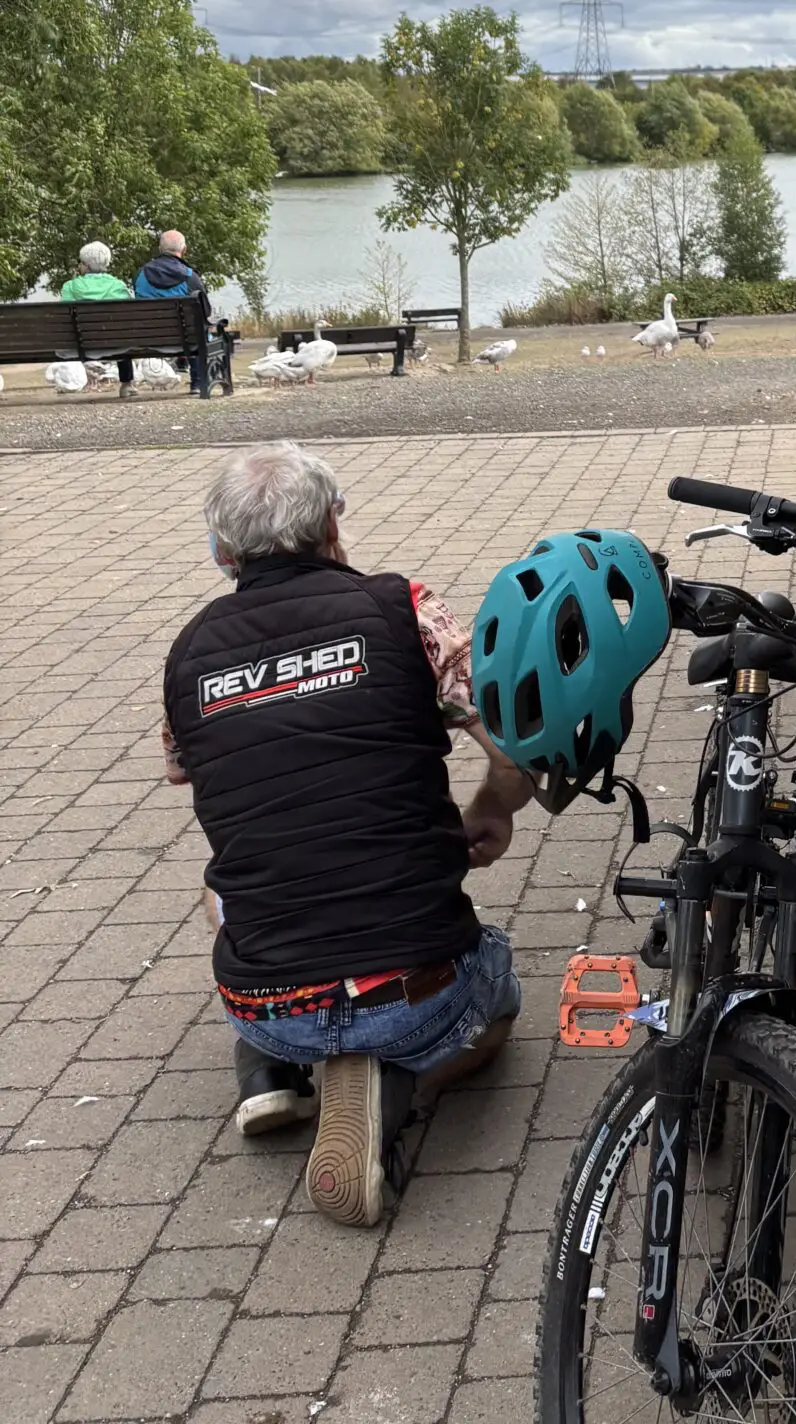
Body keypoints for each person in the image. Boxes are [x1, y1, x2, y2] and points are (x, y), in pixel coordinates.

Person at [161, 442, 531, 1226]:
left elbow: (191, 772)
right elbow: (515, 745)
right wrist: (492, 807)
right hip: (415, 996)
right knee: (496, 996)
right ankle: (393, 1080)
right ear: (334, 525)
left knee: (216, 881)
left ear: (222, 551)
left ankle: (273, 1064)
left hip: (265, 999)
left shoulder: (188, 654)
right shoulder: (406, 609)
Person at [134, 228, 213, 397]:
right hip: (186, 337)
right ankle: (197, 383)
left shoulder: (141, 275)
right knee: (195, 330)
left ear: (160, 249)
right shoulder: (190, 276)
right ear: (183, 250)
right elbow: (205, 311)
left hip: (148, 336)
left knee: (190, 329)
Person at [59, 241, 135, 395]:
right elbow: (127, 317)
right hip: (114, 343)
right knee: (122, 335)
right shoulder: (118, 286)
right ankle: (126, 384)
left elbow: (64, 318)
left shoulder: (70, 287)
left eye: (80, 263)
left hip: (81, 343)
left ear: (86, 265)